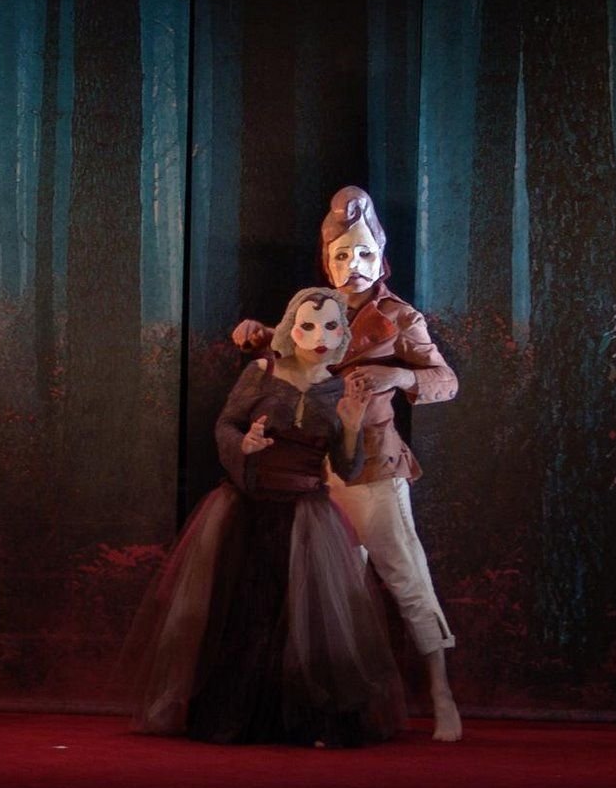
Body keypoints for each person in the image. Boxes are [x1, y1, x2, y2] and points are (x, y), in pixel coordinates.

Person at [125, 286, 405, 746]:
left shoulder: (342, 388)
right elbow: (226, 424)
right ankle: (236, 715)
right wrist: (244, 445)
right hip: (247, 509)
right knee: (245, 612)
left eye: (331, 326)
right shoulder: (262, 372)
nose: (319, 336)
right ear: (290, 329)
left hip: (307, 516)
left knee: (305, 620)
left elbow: (348, 468)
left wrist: (353, 426)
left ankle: (306, 720)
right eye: (308, 325)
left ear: (343, 334)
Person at [233, 187, 463, 740]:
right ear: (327, 260)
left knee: (406, 578)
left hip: (374, 470)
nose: (353, 265)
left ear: (381, 256)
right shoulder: (316, 307)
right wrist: (257, 337)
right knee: (333, 593)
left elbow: (445, 379)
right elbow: (288, 351)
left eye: (363, 253)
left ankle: (441, 693)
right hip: (316, 470)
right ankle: (343, 708)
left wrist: (399, 375)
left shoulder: (398, 316)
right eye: (342, 254)